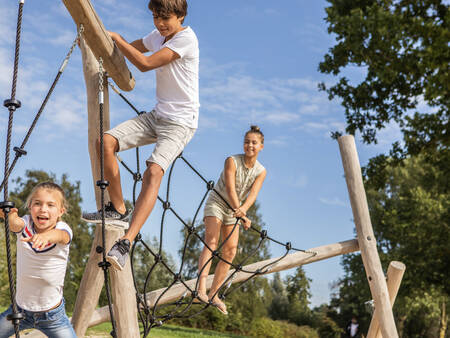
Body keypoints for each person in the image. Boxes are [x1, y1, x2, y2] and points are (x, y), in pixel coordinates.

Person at [82, 0, 199, 271]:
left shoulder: (187, 39)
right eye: (156, 17)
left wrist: (118, 39)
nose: (159, 23)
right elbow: (134, 48)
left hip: (180, 124)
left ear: (180, 16)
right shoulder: (158, 35)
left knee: (153, 171)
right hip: (157, 116)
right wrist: (99, 46)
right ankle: (118, 208)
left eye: (165, 18)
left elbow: (145, 63)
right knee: (105, 142)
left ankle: (126, 240)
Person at [196, 126, 267, 315]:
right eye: (247, 141)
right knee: (211, 242)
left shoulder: (261, 171)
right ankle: (201, 289)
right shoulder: (232, 161)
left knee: (230, 251)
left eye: (254, 142)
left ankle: (214, 294)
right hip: (217, 202)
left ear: (261, 146)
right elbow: (230, 189)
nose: (249, 145)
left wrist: (243, 210)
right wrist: (242, 213)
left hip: (234, 210)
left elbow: (253, 195)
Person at [0, 182, 76, 338]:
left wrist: (45, 236)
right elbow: (15, 225)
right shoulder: (26, 224)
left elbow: (61, 237)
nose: (43, 209)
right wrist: (10, 215)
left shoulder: (63, 228)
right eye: (37, 204)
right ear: (29, 207)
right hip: (19, 310)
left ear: (61, 211)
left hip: (53, 316)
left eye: (50, 205)